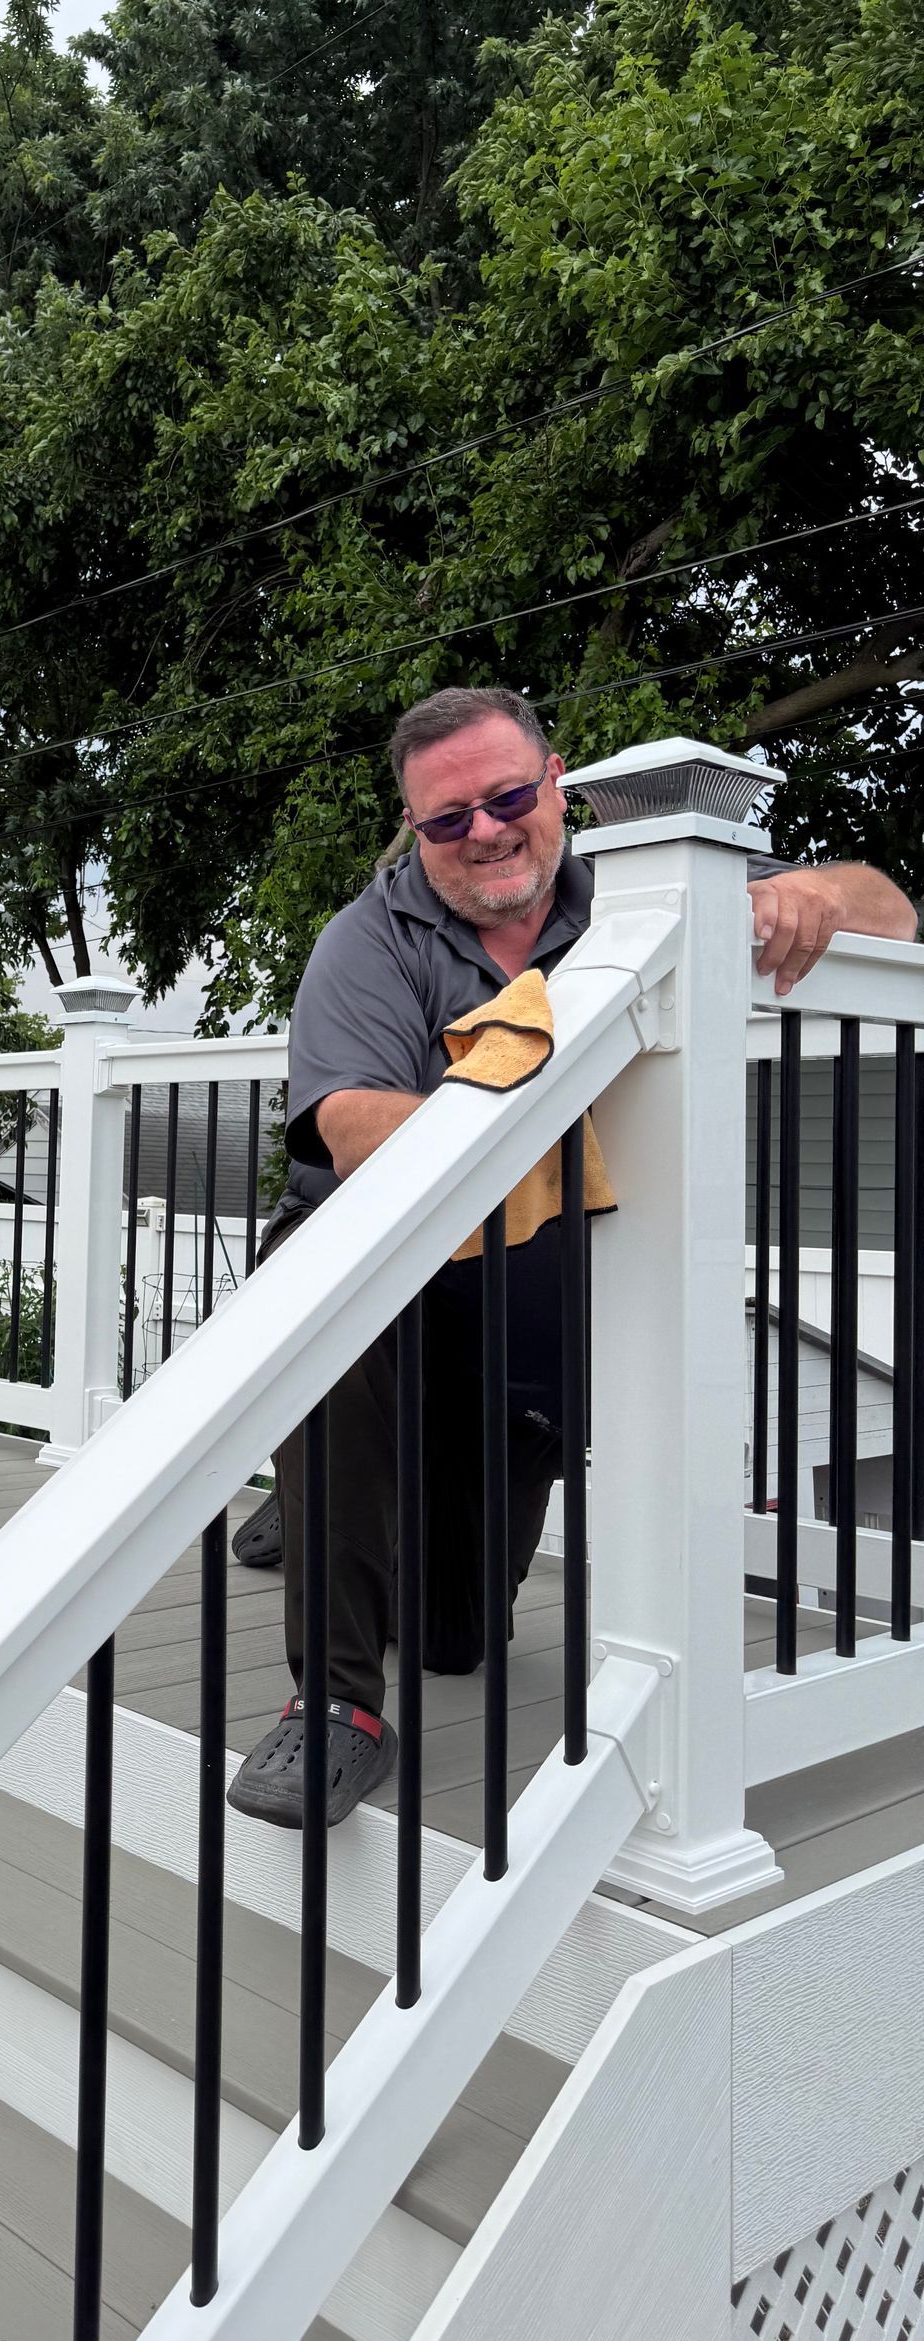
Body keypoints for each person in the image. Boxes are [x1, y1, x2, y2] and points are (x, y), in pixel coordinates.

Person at [227, 687, 917, 1829]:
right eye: (447, 819)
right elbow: (353, 1130)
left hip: (534, 1278)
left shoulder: (644, 895)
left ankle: (340, 1502)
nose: (486, 832)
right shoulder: (368, 937)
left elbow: (889, 912)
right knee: (327, 1329)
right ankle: (335, 1703)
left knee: (457, 1637)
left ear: (558, 781)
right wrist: (556, 1115)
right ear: (414, 827)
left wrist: (814, 895)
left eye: (508, 797)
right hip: (385, 1245)